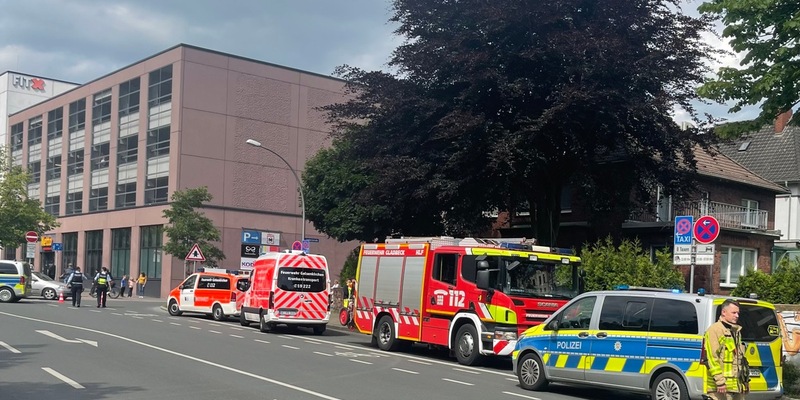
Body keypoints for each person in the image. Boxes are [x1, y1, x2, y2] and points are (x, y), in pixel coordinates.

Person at [705, 299, 749, 400]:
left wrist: (745, 381)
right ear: (723, 312)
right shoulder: (715, 330)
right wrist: (720, 382)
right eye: (734, 312)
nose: (737, 316)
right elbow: (712, 358)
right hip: (720, 389)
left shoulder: (735, 331)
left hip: (736, 387)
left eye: (738, 313)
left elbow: (740, 360)